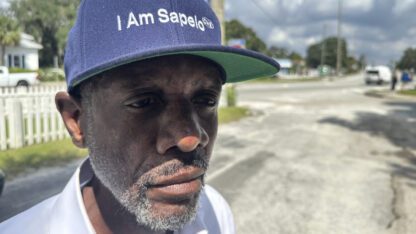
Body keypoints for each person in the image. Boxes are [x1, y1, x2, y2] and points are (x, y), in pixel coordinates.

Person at [0, 0, 279, 233]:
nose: (190, 139)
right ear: (76, 120)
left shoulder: (215, 212)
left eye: (205, 99)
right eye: (145, 102)